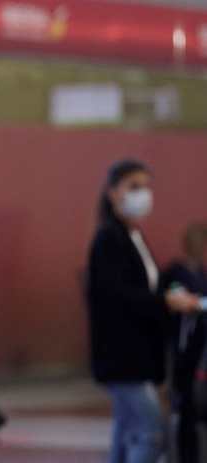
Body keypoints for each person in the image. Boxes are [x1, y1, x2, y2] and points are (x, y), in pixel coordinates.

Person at [86, 159, 202, 463]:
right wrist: (166, 301)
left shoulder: (133, 236)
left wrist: (175, 294)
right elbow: (118, 295)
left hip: (141, 355)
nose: (143, 194)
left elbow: (150, 285)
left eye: (147, 187)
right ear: (113, 193)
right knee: (152, 435)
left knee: (126, 434)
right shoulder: (109, 238)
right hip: (122, 357)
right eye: (134, 187)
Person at [161, 222, 207, 463]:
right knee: (184, 393)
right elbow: (173, 293)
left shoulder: (200, 268)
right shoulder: (176, 269)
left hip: (199, 337)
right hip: (182, 337)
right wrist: (187, 301)